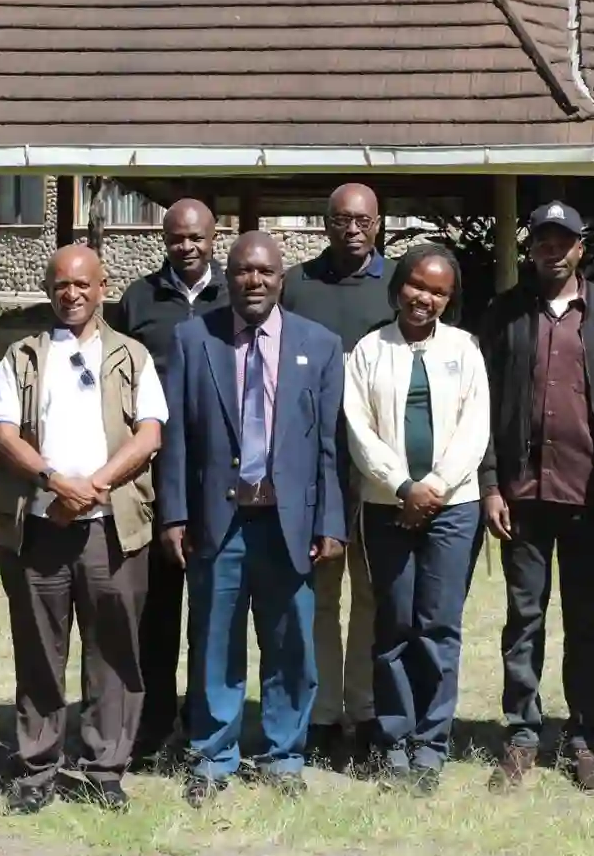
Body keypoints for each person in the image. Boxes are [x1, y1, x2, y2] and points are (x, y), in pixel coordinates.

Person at [158, 231, 346, 805]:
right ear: (228, 276)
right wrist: (175, 515)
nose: (254, 281)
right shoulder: (194, 339)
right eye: (243, 271)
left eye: (265, 271)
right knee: (214, 638)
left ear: (281, 278)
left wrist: (331, 522)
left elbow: (329, 446)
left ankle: (284, 755)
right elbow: (176, 440)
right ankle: (214, 755)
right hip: (221, 521)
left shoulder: (321, 344)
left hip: (290, 523)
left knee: (291, 643)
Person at [0, 244, 167, 813]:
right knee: (41, 649)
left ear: (102, 286)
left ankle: (104, 767)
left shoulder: (131, 355)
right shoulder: (22, 356)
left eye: (83, 284)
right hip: (40, 527)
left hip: (109, 528)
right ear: (48, 287)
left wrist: (96, 485)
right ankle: (38, 766)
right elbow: (5, 434)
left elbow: (149, 435)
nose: (72, 294)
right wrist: (52, 480)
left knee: (113, 649)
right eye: (62, 284)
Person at [473, 201, 594, 794]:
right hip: (522, 495)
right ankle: (522, 735)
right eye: (542, 240)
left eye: (562, 240)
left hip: (589, 495)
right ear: (532, 248)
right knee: (524, 618)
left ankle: (584, 736)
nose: (552, 249)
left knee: (587, 621)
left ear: (579, 249)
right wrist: (490, 483)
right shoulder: (505, 314)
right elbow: (483, 405)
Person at [341, 245, 491, 795]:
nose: (424, 298)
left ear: (449, 299)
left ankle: (431, 741)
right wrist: (403, 487)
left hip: (452, 508)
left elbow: (476, 428)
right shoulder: (368, 351)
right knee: (395, 624)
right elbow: (359, 430)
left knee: (438, 626)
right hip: (387, 507)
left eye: (438, 291)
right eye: (416, 286)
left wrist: (435, 488)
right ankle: (394, 739)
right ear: (398, 285)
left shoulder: (465, 350)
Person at [107, 198, 228, 762]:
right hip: (154, 476)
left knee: (212, 612)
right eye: (176, 238)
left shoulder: (239, 293)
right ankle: (152, 726)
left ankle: (204, 725)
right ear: (164, 240)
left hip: (220, 473)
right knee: (156, 611)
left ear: (213, 237)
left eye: (196, 237)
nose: (186, 247)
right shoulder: (138, 299)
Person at [281, 182, 388, 766]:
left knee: (370, 594)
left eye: (363, 220)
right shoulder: (297, 286)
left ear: (378, 224)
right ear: (325, 223)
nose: (352, 229)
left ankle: (365, 710)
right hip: (313, 467)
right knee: (319, 594)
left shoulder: (397, 284)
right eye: (341, 219)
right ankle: (322, 715)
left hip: (376, 470)